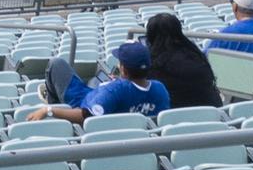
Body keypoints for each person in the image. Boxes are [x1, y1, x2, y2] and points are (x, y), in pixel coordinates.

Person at [27, 41, 169, 122]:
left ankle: (53, 101)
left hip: (82, 102)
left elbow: (86, 116)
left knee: (56, 64)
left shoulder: (114, 90)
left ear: (124, 69)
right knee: (96, 82)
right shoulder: (160, 89)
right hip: (105, 98)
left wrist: (49, 111)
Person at [141, 13, 221, 109]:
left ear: (150, 35)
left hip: (175, 117)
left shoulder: (153, 64)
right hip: (212, 113)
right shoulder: (195, 54)